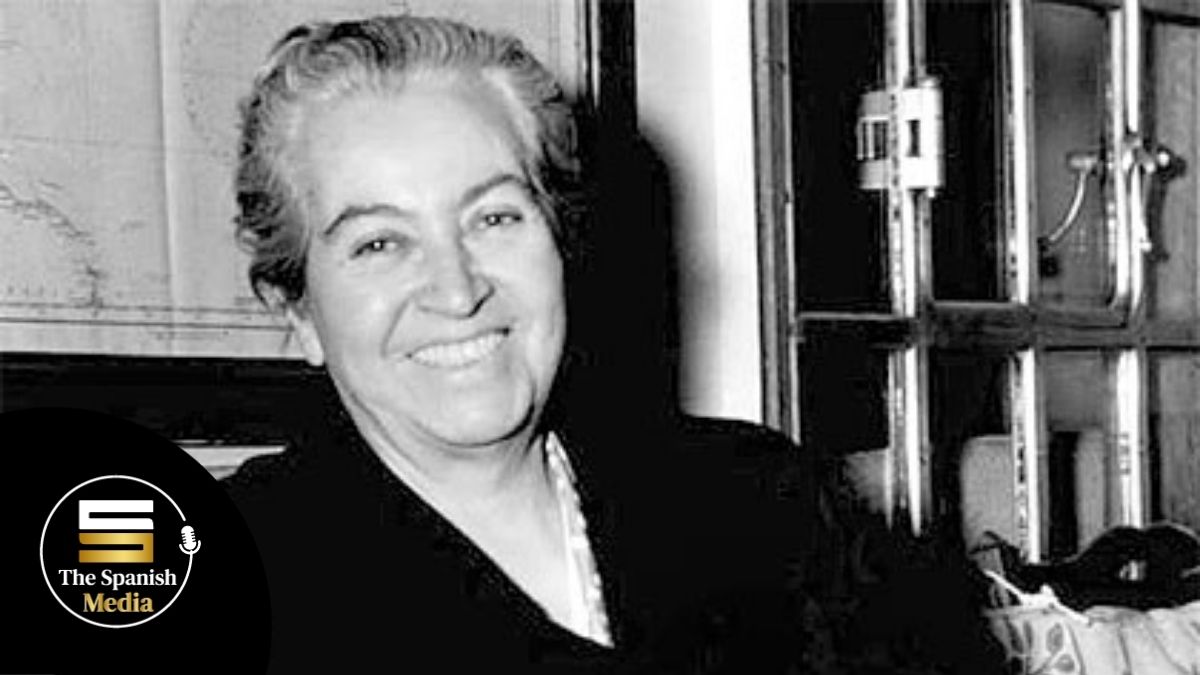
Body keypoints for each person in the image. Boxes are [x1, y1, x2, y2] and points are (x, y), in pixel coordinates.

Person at [225, 13, 1003, 674]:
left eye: (494, 218)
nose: (457, 291)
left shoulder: (764, 502)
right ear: (299, 311)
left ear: (561, 243)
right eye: (378, 244)